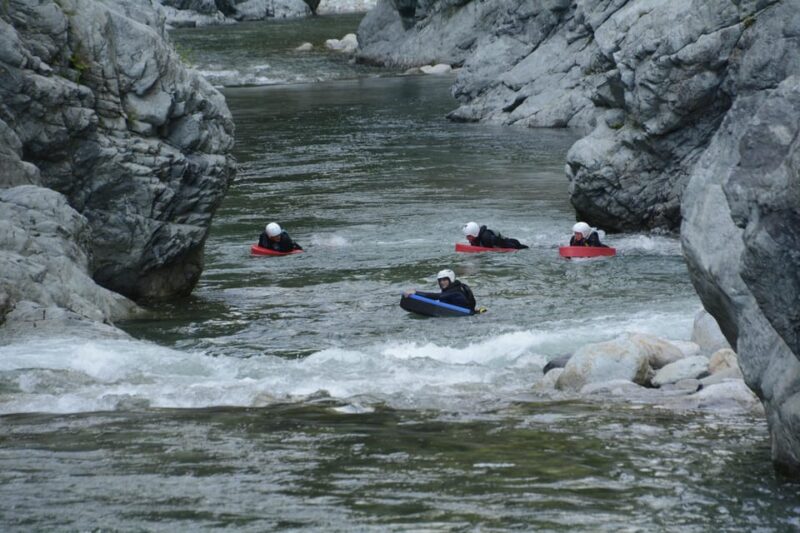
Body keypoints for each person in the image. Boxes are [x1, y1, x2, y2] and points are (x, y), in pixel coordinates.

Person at [404, 269, 476, 313]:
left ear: (451, 279)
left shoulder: (456, 291)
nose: (441, 282)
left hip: (467, 315)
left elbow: (437, 296)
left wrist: (416, 293)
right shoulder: (456, 286)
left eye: (444, 280)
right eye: (440, 280)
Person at [462, 221, 528, 249]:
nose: (467, 238)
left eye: (468, 236)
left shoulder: (486, 238)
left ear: (474, 233)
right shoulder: (475, 238)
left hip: (512, 245)